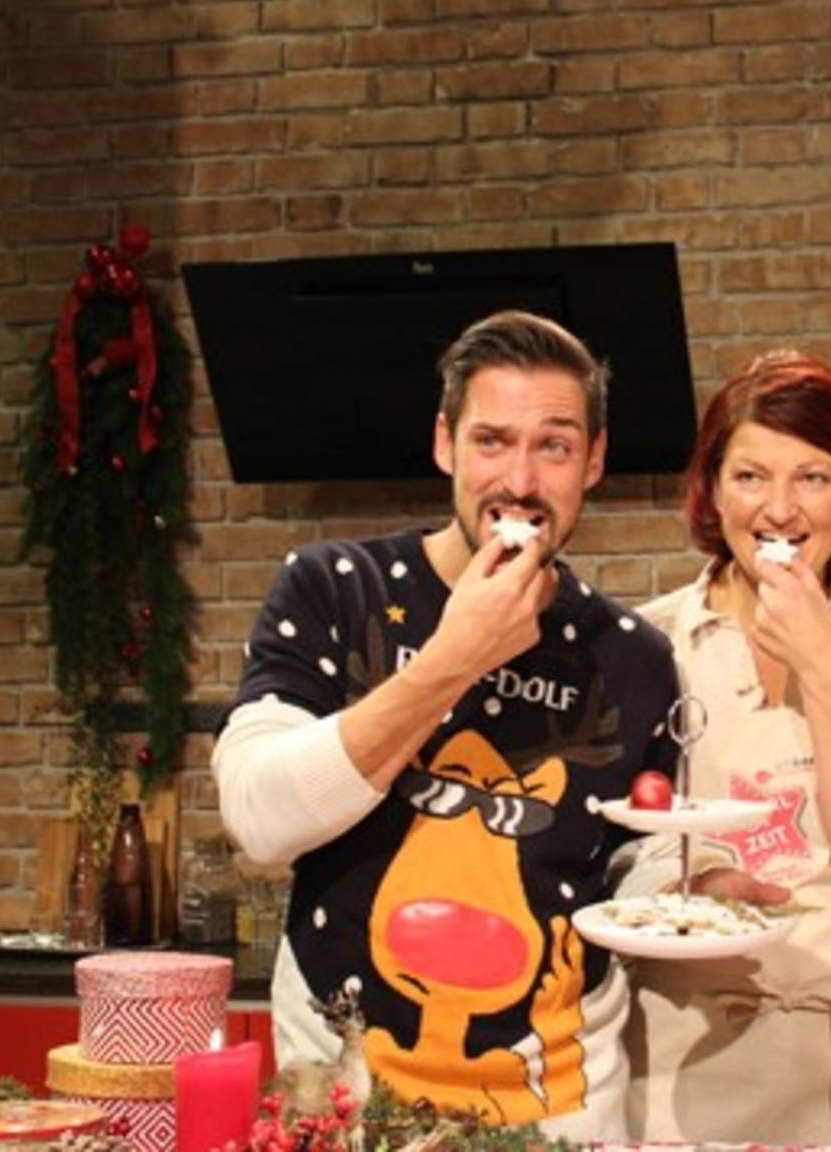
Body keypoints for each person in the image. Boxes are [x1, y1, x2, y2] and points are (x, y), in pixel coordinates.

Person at [213, 310, 681, 1140]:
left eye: (556, 446)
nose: (522, 480)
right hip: (343, 1103)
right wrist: (453, 658)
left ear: (595, 461)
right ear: (445, 444)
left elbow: (641, 861)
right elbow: (258, 819)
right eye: (492, 440)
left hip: (561, 1112)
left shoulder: (635, 655)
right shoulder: (332, 590)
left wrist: (699, 890)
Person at [620, 351, 831, 1145]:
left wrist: (826, 660)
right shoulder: (645, 644)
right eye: (751, 476)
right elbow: (617, 849)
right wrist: (696, 878)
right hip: (691, 1050)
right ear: (712, 487)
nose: (780, 508)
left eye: (814, 477)